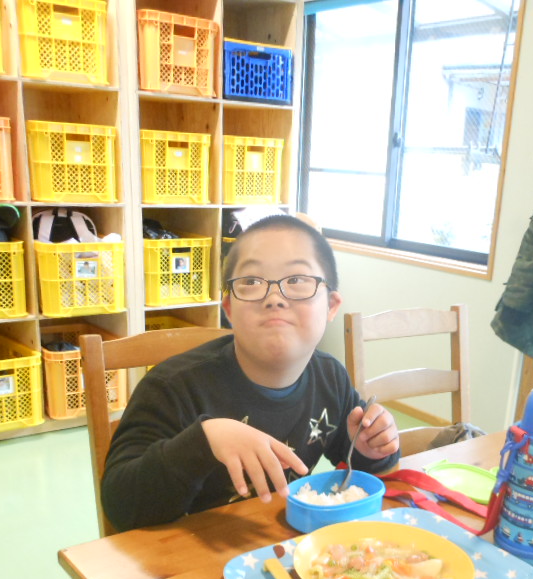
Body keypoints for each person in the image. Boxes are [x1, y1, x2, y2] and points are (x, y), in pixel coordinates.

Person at [102, 215, 400, 531]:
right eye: (252, 282)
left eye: (297, 279)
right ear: (229, 309)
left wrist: (371, 448)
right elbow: (120, 504)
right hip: (190, 553)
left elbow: (356, 460)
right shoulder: (171, 387)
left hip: (285, 544)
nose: (275, 298)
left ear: (331, 305)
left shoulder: (331, 377)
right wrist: (203, 441)